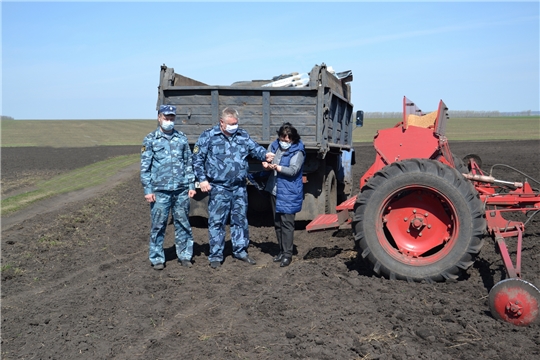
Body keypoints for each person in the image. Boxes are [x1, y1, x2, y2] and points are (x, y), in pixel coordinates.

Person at [192, 107, 275, 269]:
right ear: (222, 123)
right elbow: (197, 160)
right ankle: (216, 255)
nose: (234, 126)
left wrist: (265, 155)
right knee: (217, 221)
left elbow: (254, 149)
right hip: (218, 187)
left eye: (236, 123)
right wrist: (202, 180)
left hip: (239, 187)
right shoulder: (208, 136)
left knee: (240, 220)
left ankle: (240, 251)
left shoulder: (242, 135)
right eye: (231, 124)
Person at [140, 105, 197, 270]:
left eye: (172, 118)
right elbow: (145, 168)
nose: (169, 122)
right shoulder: (150, 139)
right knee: (158, 225)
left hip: (181, 190)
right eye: (166, 118)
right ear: (159, 118)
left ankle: (185, 255)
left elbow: (188, 163)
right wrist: (148, 190)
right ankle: (157, 257)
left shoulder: (181, 138)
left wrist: (191, 185)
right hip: (160, 191)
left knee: (183, 223)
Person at [261, 123, 305, 267]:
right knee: (277, 223)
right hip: (274, 190)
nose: (284, 142)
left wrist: (278, 167)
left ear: (293, 139)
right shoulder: (274, 146)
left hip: (289, 192)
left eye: (287, 140)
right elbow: (267, 160)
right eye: (282, 138)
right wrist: (266, 165)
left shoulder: (298, 151)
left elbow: (293, 170)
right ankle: (281, 250)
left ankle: (288, 254)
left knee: (287, 224)